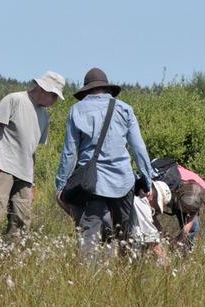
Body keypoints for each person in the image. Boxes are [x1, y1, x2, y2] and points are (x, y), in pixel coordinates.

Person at [55, 68, 156, 262]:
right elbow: (138, 148)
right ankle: (126, 276)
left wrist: (61, 184)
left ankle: (88, 282)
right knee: (125, 235)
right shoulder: (124, 109)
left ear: (87, 90)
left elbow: (69, 152)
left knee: (89, 238)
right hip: (123, 182)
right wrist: (147, 180)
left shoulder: (76, 110)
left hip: (91, 183)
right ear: (106, 88)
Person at [0, 71, 66, 252]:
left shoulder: (45, 116)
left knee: (21, 220)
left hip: (24, 174)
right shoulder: (15, 99)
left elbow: (31, 149)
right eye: (53, 95)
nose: (54, 100)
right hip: (3, 167)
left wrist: (32, 181)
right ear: (42, 88)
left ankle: (9, 263)